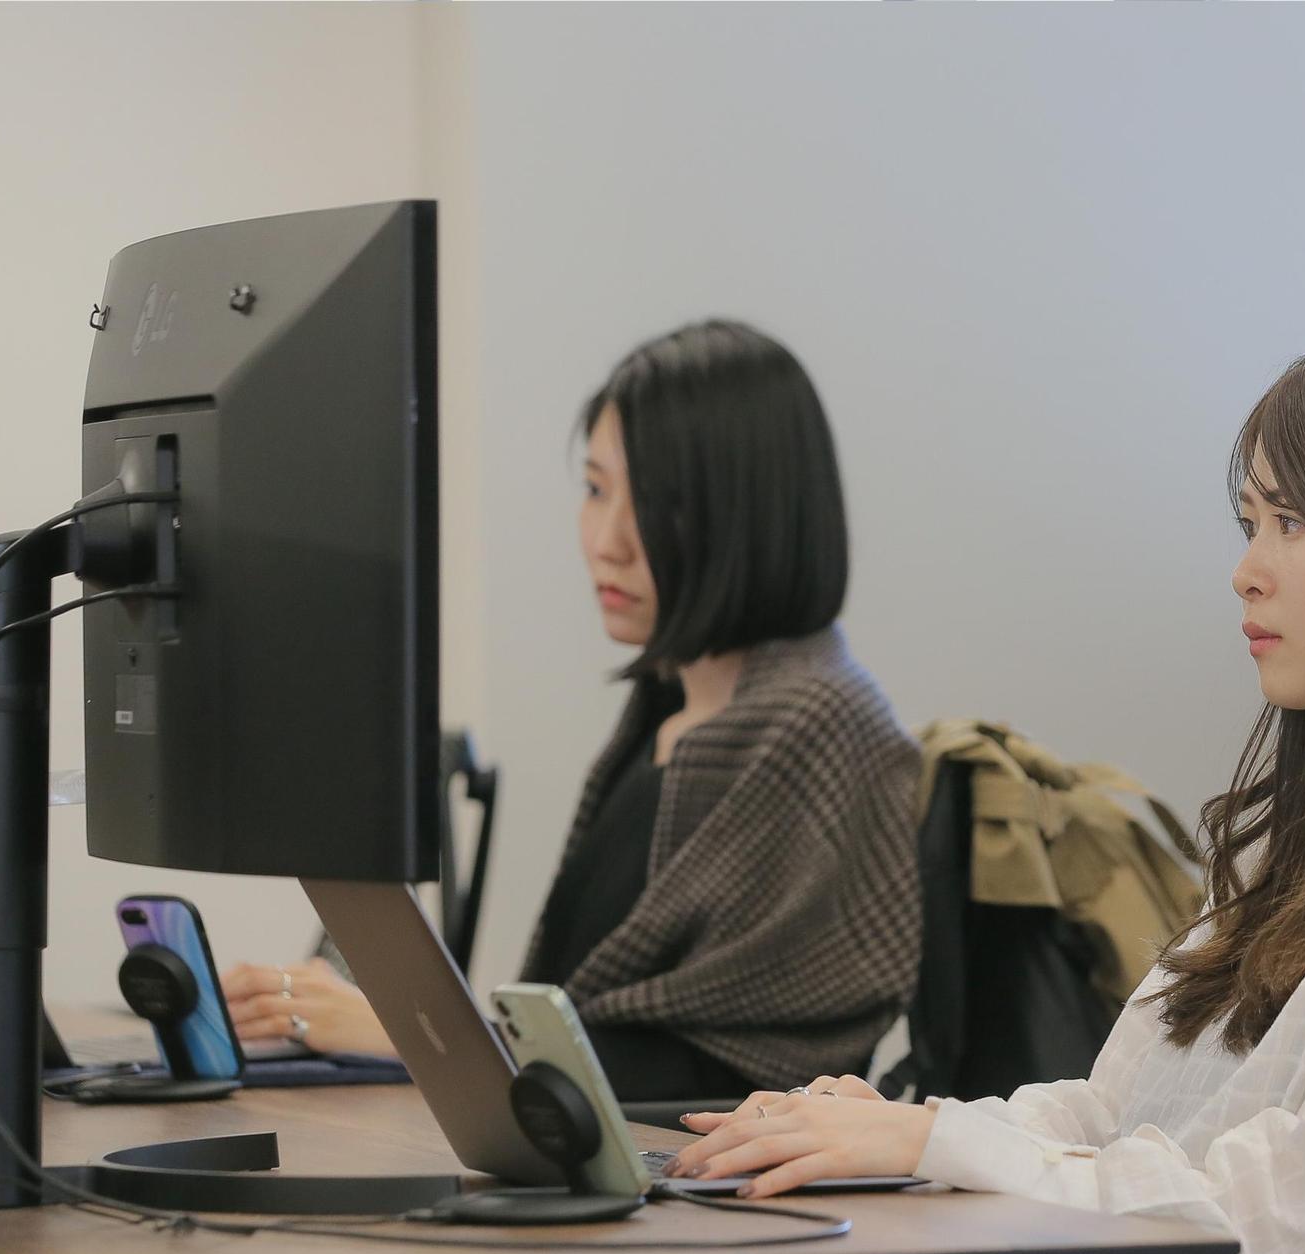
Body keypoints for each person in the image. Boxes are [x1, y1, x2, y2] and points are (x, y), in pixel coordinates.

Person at [667, 319, 1305, 1254]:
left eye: (1292, 522)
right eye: (1251, 523)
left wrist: (934, 1144)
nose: (1246, 570)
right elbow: (1112, 1116)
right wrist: (895, 1133)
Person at [223, 320, 923, 1100]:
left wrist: (410, 1032)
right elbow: (585, 1021)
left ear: (753, 514)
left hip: (691, 1171)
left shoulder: (823, 728)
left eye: (654, 501)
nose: (607, 540)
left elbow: (722, 1072)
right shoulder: (666, 713)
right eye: (595, 489)